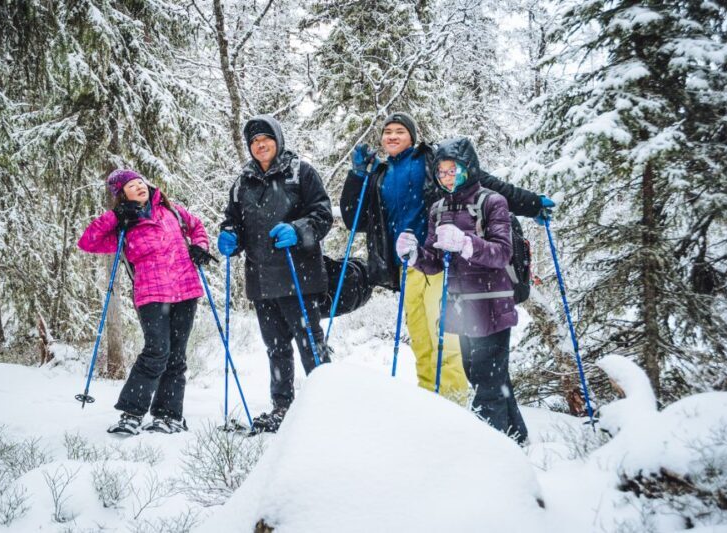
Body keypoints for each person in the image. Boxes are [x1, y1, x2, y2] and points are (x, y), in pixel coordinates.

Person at [340, 112, 554, 401]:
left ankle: (454, 407)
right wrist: (357, 177)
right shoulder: (379, 175)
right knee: (421, 341)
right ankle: (431, 404)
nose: (392, 136)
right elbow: (354, 220)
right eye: (387, 131)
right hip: (408, 266)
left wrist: (531, 204)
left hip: (441, 262)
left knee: (447, 341)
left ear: (413, 137)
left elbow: (484, 183)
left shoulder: (430, 162)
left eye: (400, 131)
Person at [400, 137, 529, 444]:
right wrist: (416, 254)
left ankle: (492, 450)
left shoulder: (492, 201)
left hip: (492, 303)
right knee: (479, 375)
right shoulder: (438, 209)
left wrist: (466, 243)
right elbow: (436, 262)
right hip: (459, 305)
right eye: (441, 172)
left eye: (452, 170)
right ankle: (517, 437)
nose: (446, 177)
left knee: (488, 382)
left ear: (467, 168)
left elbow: (502, 253)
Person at [218, 115, 333, 433]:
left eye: (265, 138)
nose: (260, 145)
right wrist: (230, 235)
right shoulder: (243, 181)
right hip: (261, 279)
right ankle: (283, 408)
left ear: (278, 140)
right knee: (276, 347)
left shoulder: (301, 172)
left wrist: (299, 229)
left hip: (299, 276)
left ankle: (327, 406)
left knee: (310, 343)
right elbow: (234, 220)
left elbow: (323, 214)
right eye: (254, 141)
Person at [78, 169, 211, 435]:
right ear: (121, 194)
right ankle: (132, 413)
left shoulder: (171, 210)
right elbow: (88, 242)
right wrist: (115, 216)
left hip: (186, 291)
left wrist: (200, 246)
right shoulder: (124, 225)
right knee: (156, 350)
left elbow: (197, 227)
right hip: (151, 294)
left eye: (140, 182)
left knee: (176, 356)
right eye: (131, 185)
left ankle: (168, 415)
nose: (139, 187)